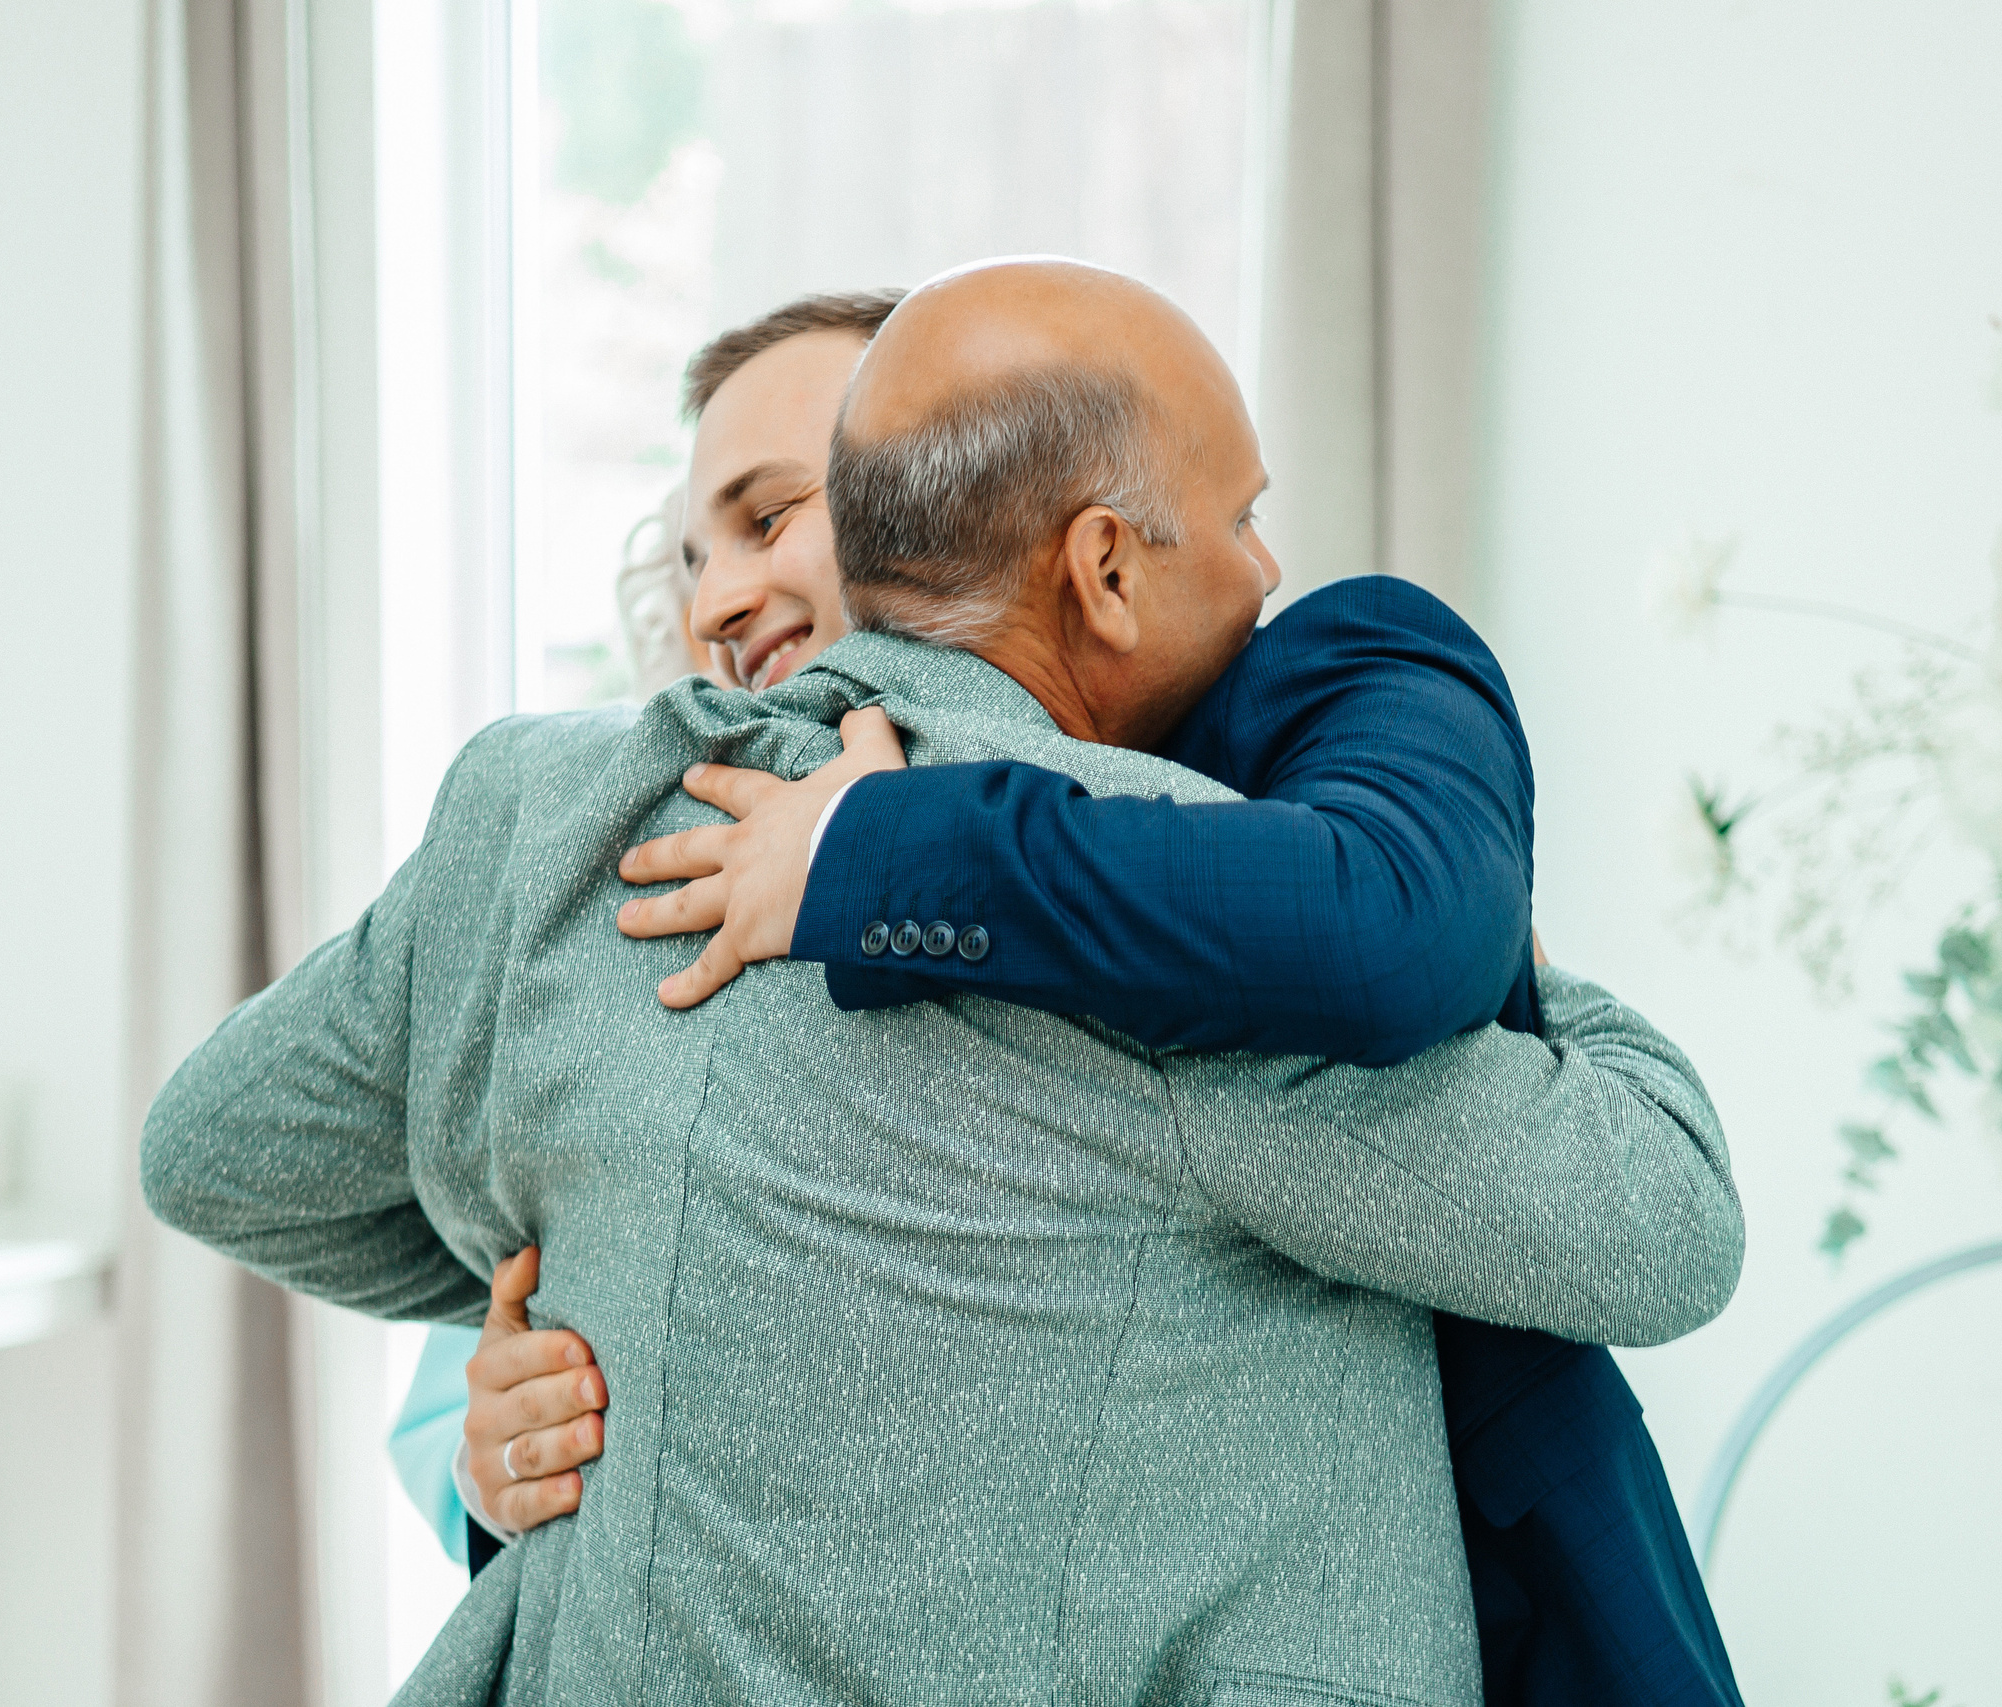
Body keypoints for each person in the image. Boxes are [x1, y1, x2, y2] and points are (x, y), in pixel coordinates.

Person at [142, 259, 1743, 1705]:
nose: (717, 596)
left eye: (780, 511)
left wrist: (577, 1243)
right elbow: (1662, 1218)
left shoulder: (556, 826)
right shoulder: (1166, 931)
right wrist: (569, 1301)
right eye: (693, 547)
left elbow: (217, 1151)